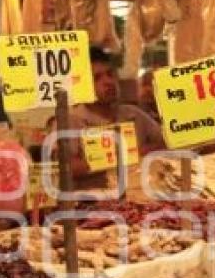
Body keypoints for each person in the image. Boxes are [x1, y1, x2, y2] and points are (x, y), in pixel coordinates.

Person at [62, 48, 165, 189]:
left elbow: (166, 141)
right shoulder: (71, 121)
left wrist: (145, 151)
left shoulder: (133, 113)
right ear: (82, 86)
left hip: (138, 200)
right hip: (90, 205)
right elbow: (66, 167)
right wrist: (131, 155)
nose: (108, 82)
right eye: (97, 78)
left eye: (110, 74)